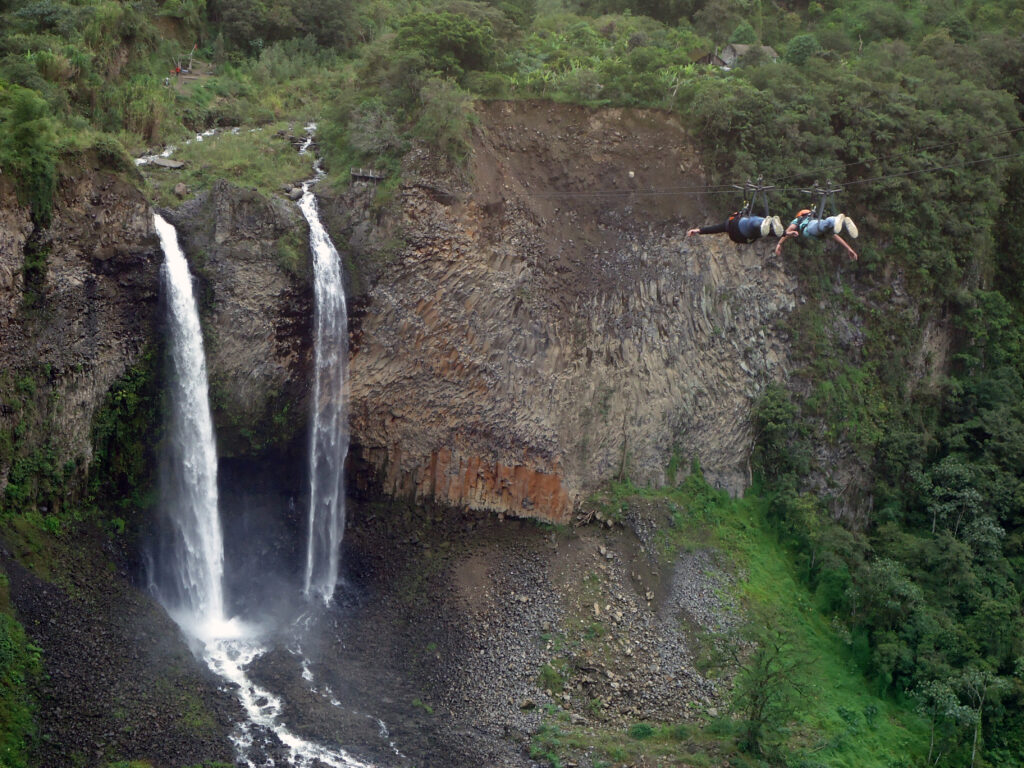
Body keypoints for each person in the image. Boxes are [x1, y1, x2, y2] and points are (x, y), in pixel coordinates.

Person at [774, 209, 859, 260]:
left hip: (810, 229)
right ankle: (842, 222)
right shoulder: (814, 217)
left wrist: (779, 243)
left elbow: (789, 229)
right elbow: (836, 237)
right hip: (822, 231)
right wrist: (849, 248)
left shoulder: (800, 219)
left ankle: (837, 219)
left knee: (823, 225)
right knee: (827, 225)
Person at [686, 211, 784, 244]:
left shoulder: (727, 225)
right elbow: (713, 229)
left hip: (746, 235)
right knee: (753, 222)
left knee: (757, 227)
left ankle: (767, 223)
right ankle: (769, 222)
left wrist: (699, 230)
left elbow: (714, 229)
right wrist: (785, 234)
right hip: (744, 230)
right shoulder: (734, 222)